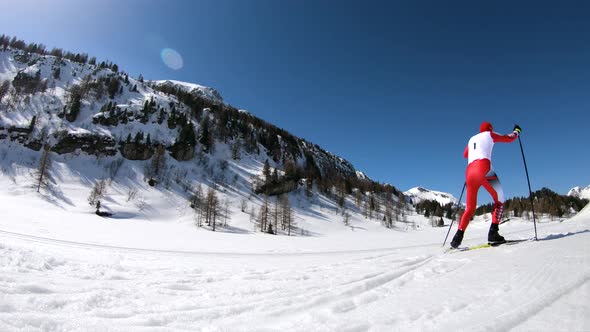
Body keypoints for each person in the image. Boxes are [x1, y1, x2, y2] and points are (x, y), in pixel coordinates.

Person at [450, 122, 522, 248]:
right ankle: (493, 234)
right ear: (490, 129)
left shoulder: (472, 139)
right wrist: (516, 132)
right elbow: (508, 138)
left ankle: (457, 237)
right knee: (499, 199)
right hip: (483, 168)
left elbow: (465, 154)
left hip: (469, 173)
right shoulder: (490, 134)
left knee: (470, 208)